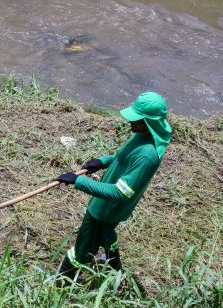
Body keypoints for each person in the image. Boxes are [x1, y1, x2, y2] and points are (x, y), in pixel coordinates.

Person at [55, 91, 171, 281]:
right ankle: (113, 265)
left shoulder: (147, 154)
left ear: (151, 121)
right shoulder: (143, 134)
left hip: (105, 209)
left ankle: (60, 286)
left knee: (81, 250)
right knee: (106, 232)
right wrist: (102, 162)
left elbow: (119, 193)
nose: (131, 122)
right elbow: (122, 158)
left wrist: (79, 181)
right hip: (109, 209)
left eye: (137, 119)